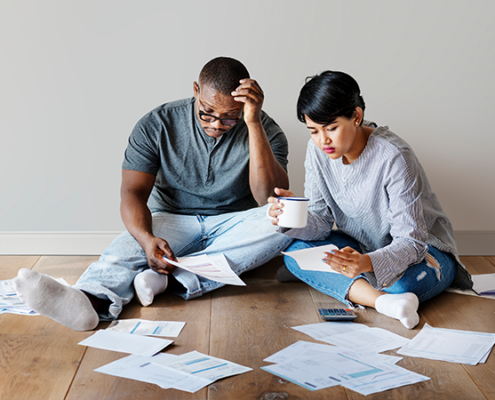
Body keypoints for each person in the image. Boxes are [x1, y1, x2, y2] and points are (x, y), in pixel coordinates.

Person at [14, 57, 293, 331]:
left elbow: (267, 197)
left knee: (286, 221)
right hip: (171, 219)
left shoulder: (266, 130)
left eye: (229, 117)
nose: (216, 124)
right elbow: (132, 193)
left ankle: (171, 281)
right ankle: (87, 300)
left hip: (234, 223)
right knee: (125, 248)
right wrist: (147, 239)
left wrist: (252, 123)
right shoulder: (158, 123)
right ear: (195, 91)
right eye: (207, 112)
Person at [267, 71, 473, 330]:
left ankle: (352, 285)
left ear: (356, 116)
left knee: (403, 284)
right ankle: (386, 302)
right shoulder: (317, 151)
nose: (323, 141)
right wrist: (287, 217)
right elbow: (320, 224)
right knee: (296, 252)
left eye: (331, 128)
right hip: (363, 246)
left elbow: (411, 242)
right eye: (313, 131)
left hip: (425, 251)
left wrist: (367, 263)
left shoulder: (394, 156)